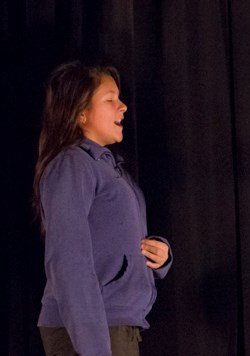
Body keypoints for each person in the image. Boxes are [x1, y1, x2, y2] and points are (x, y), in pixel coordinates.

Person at [33, 61, 173, 356]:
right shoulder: (72, 165)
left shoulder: (111, 169)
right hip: (91, 331)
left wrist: (159, 255)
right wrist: (94, 347)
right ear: (81, 113)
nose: (122, 107)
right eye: (110, 100)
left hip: (117, 325)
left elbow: (113, 239)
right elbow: (68, 261)